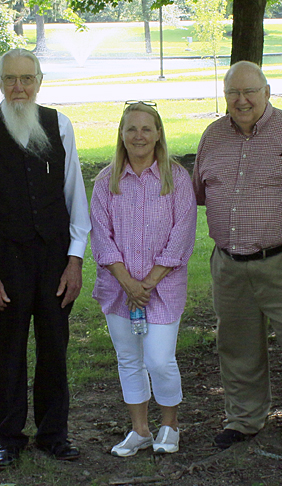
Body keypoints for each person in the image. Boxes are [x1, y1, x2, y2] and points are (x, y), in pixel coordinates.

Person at [193, 60, 282, 455]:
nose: (242, 100)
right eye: (233, 93)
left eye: (250, 91)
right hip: (229, 265)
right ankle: (244, 418)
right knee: (236, 345)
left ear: (267, 92)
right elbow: (202, 192)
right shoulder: (213, 136)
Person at [0, 48, 90, 467]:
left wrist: (75, 259)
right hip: (5, 258)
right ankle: (9, 436)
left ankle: (54, 433)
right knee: (9, 349)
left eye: (27, 78)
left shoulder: (60, 125)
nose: (19, 87)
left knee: (55, 345)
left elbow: (76, 198)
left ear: (39, 81)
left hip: (54, 258)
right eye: (10, 79)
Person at [91, 101, 197, 456]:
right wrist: (127, 282)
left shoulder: (176, 178)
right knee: (129, 359)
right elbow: (101, 236)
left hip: (162, 288)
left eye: (146, 129)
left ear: (158, 134)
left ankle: (170, 425)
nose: (139, 136)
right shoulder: (107, 181)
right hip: (119, 288)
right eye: (131, 129)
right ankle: (139, 430)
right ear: (121, 134)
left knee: (159, 359)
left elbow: (182, 232)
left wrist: (148, 282)